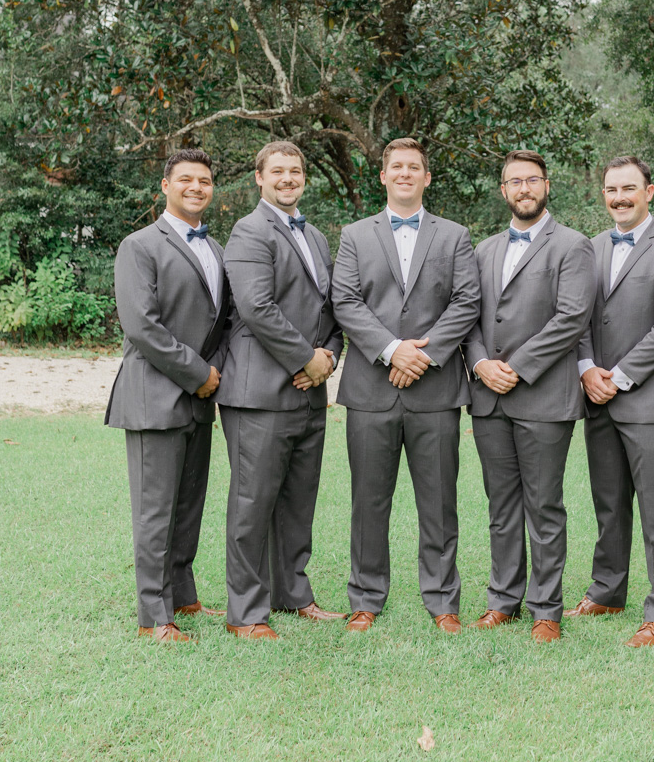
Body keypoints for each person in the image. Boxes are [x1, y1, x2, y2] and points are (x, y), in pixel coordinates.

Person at [330, 138, 480, 633]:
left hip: (435, 390)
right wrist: (394, 350)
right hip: (371, 390)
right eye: (396, 166)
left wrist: (424, 354)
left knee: (438, 500)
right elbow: (346, 301)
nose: (405, 174)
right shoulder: (354, 235)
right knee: (368, 501)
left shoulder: (456, 236)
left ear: (427, 178)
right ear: (383, 176)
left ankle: (442, 600)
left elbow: (466, 302)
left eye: (414, 167)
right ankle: (366, 597)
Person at [465, 150, 596, 643]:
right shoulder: (484, 250)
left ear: (546, 186)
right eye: (514, 181)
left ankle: (545, 608)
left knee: (543, 506)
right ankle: (503, 599)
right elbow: (471, 316)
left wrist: (516, 368)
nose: (523, 189)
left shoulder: (573, 246)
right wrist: (480, 364)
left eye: (532, 181)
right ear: (503, 190)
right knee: (501, 505)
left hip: (543, 396)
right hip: (488, 397)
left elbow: (571, 318)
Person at [216, 141, 344, 640]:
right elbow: (256, 307)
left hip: (310, 392)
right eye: (278, 172)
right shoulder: (249, 231)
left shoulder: (314, 235)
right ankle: (246, 612)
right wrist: (305, 358)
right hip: (259, 393)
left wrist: (329, 357)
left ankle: (292, 594)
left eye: (295, 171)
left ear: (304, 179)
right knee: (252, 503)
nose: (288, 179)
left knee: (297, 501)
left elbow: (330, 309)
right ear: (259, 178)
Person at [568, 156, 654, 646]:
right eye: (611, 189)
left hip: (648, 400)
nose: (619, 197)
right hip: (596, 396)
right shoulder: (591, 247)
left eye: (628, 189)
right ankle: (606, 591)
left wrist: (618, 377)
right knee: (609, 504)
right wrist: (586, 370)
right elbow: (575, 316)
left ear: (650, 191)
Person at [106, 149, 230, 643]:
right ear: (165, 186)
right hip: (155, 395)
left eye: (204, 180)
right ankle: (153, 618)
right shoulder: (139, 246)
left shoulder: (216, 248)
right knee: (155, 510)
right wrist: (198, 373)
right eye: (186, 180)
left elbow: (221, 319)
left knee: (188, 505)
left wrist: (213, 374)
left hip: (201, 398)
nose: (196, 187)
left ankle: (184, 595)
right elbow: (142, 326)